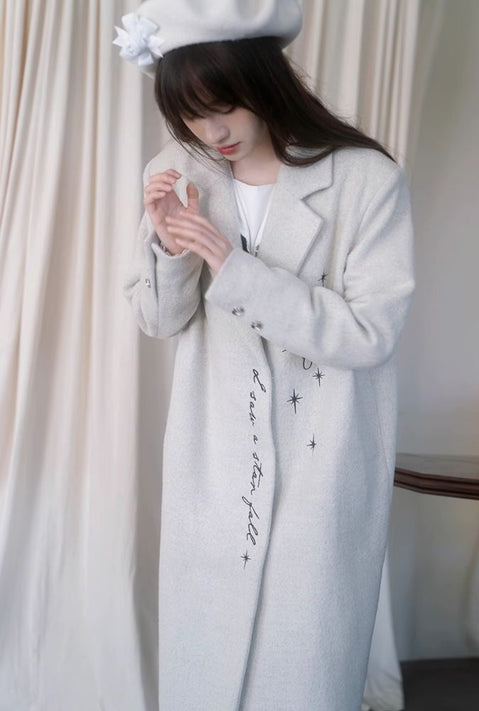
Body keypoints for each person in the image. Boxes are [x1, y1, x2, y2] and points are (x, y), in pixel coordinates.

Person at [114, 1, 415, 709]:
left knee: (302, 661)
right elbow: (158, 320)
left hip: (321, 454)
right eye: (191, 116)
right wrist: (170, 247)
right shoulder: (177, 170)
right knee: (206, 661)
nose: (211, 133)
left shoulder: (365, 179)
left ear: (264, 82)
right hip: (216, 456)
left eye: (223, 107)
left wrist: (233, 265)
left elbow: (369, 332)